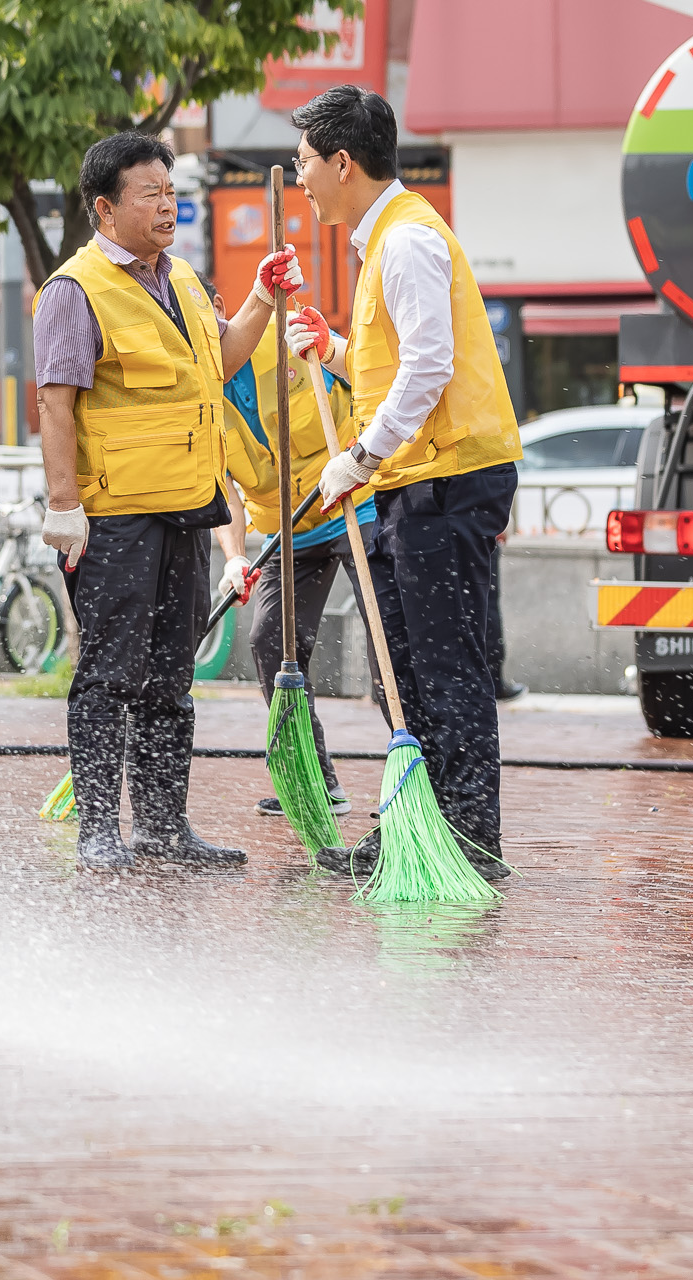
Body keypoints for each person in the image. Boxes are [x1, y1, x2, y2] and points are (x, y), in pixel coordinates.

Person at [32, 132, 303, 872]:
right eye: (149, 193)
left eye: (170, 191)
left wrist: (263, 296)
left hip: (189, 505)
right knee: (109, 675)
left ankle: (160, 824)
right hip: (113, 515)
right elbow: (56, 403)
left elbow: (226, 356)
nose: (166, 205)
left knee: (169, 680)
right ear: (105, 207)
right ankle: (98, 829)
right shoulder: (74, 290)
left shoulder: (181, 278)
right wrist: (64, 505)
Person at [289, 85, 522, 882]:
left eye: (306, 162)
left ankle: (469, 842)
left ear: (343, 162)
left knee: (444, 667)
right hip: (416, 480)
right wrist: (335, 348)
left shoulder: (406, 241)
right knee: (408, 669)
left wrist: (358, 456)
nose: (301, 179)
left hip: (446, 481)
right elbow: (397, 360)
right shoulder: (384, 239)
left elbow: (431, 367)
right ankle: (417, 830)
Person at [209, 326, 393, 818]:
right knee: (271, 639)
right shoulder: (199, 382)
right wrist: (234, 556)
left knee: (387, 644)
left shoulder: (287, 335)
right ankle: (313, 780)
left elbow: (367, 387)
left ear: (222, 312)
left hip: (355, 503)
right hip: (287, 528)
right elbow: (221, 485)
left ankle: (414, 776)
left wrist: (358, 459)